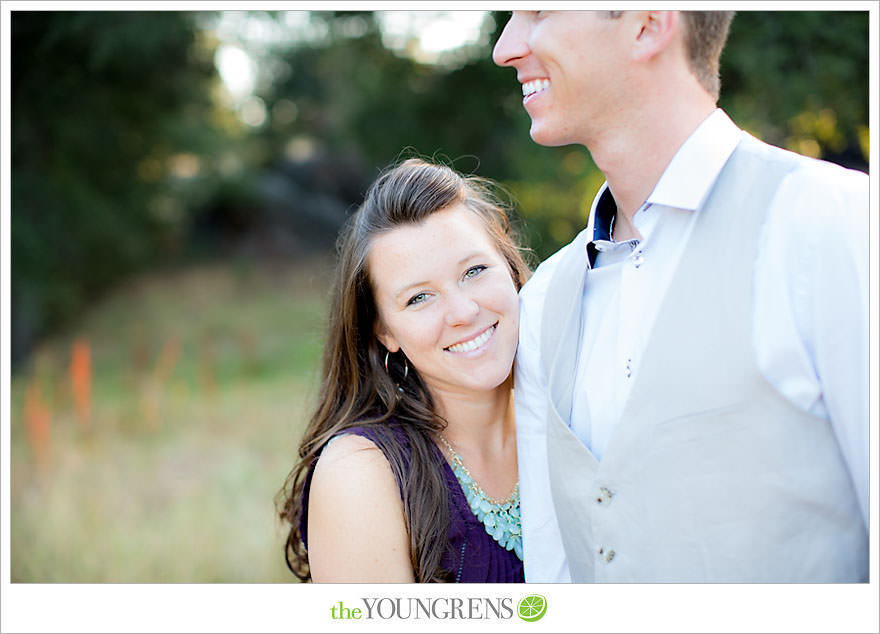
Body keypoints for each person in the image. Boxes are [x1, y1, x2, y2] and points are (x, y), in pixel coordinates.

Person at [493, 10, 868, 582]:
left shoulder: (834, 224)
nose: (506, 47)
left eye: (538, 11)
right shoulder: (545, 299)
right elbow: (556, 574)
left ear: (647, 22)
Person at [276, 158, 530, 582]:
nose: (463, 312)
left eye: (475, 271)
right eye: (419, 298)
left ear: (509, 267)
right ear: (383, 331)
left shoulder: (580, 410)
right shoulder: (360, 474)